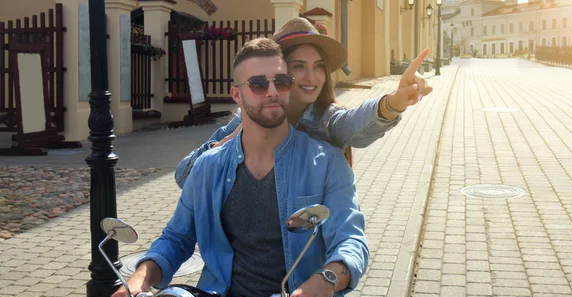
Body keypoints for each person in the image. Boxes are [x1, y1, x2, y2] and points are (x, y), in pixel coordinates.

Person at [107, 38, 368, 297]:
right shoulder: (208, 166)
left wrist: (326, 279)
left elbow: (351, 240)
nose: (272, 92)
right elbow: (177, 237)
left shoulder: (327, 163)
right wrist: (141, 277)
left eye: (280, 82)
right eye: (258, 84)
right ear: (236, 94)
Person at [175, 17, 432, 188]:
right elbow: (185, 177)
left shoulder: (326, 119)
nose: (312, 78)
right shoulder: (249, 116)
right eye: (299, 66)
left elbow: (354, 125)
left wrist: (395, 102)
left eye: (319, 67)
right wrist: (233, 140)